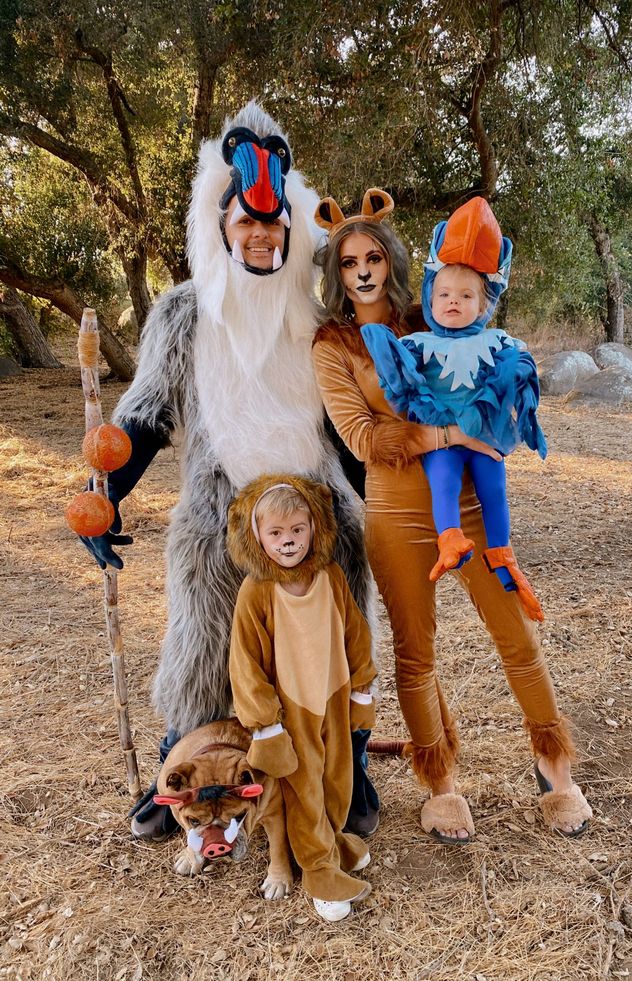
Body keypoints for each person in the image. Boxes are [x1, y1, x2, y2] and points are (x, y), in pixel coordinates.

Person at [77, 103, 379, 841]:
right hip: (219, 514)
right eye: (247, 221)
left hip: (321, 514)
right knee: (205, 643)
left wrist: (392, 513)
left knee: (333, 645)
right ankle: (179, 764)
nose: (261, 234)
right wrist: (104, 495)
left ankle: (348, 762)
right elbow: (143, 418)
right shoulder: (182, 314)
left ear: (290, 230)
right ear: (222, 226)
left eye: (273, 225)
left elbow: (350, 429)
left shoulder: (320, 317)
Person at [311, 188, 592, 842]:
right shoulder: (332, 344)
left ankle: (555, 768)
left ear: (392, 260)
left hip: (464, 499)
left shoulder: (430, 312)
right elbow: (360, 436)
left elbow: (480, 370)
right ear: (336, 270)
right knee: (415, 652)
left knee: (515, 635)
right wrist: (448, 436)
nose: (361, 270)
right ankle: (440, 783)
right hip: (392, 506)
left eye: (372, 256)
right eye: (348, 260)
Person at [360, 196, 546, 619]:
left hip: (485, 436)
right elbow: (398, 380)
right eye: (443, 293)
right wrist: (389, 353)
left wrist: (517, 381)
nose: (453, 302)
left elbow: (517, 376)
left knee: (494, 489)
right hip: (441, 438)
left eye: (466, 295)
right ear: (429, 295)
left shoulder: (499, 341)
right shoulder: (417, 343)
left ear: (484, 305)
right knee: (442, 480)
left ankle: (503, 555)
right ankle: (450, 540)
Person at [228, 475, 375, 922]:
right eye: (276, 534)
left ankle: (330, 840)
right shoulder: (256, 591)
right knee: (305, 787)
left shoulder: (329, 576)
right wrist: (264, 723)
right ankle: (318, 871)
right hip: (291, 710)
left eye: (297, 530)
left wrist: (362, 688)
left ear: (314, 529)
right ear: (256, 537)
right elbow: (245, 661)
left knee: (338, 779)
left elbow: (354, 632)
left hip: (332, 695)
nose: (288, 542)